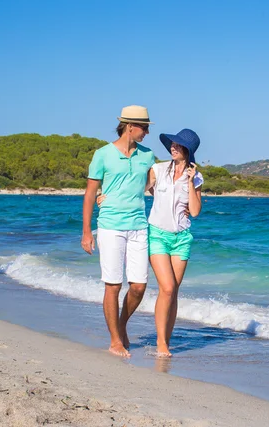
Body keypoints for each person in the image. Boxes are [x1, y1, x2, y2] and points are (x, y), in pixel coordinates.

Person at [81, 105, 155, 358]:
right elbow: (91, 193)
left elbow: (151, 183)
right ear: (129, 126)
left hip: (139, 226)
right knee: (113, 285)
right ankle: (115, 340)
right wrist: (87, 232)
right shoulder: (102, 154)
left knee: (138, 287)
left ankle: (121, 325)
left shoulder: (147, 155)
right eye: (144, 127)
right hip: (110, 226)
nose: (146, 132)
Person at [146, 128, 202, 356]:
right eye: (172, 144)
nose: (173, 147)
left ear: (188, 150)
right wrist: (105, 194)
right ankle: (161, 343)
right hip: (157, 234)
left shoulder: (196, 177)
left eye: (178, 145)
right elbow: (138, 189)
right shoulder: (157, 170)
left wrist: (189, 182)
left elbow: (196, 212)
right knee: (167, 287)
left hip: (182, 238)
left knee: (173, 291)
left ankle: (165, 339)